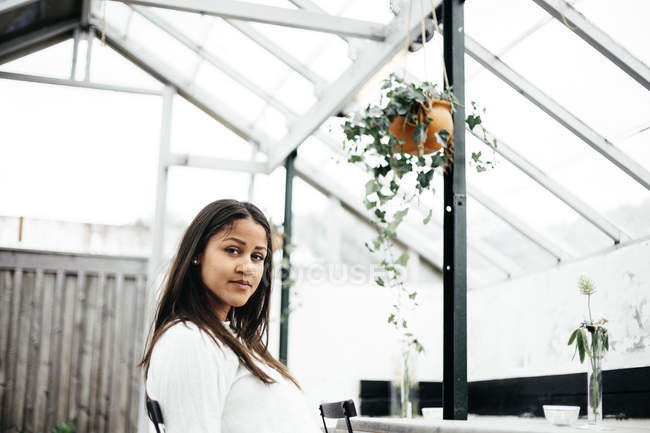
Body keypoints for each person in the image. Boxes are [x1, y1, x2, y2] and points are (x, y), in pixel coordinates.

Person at [139, 199, 320, 433]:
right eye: (233, 250)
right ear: (197, 254)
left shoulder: (231, 338)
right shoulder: (190, 340)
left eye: (257, 257)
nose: (247, 267)